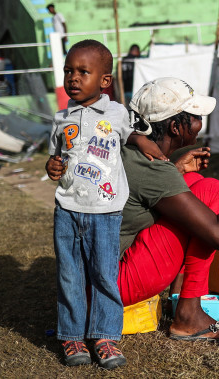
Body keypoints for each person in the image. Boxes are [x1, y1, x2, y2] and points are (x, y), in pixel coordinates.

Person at [51, 77, 219, 341]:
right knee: (213, 191)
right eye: (195, 116)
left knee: (195, 183)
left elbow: (138, 194)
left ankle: (181, 295)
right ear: (175, 127)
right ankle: (189, 313)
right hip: (109, 285)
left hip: (87, 282)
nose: (200, 123)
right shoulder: (151, 168)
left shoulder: (127, 149)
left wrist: (174, 170)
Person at [44, 39, 164, 369]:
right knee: (69, 275)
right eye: (69, 71)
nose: (73, 78)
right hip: (67, 209)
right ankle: (71, 336)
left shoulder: (116, 112)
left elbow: (131, 135)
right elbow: (56, 157)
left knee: (103, 275)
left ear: (104, 81)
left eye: (83, 71)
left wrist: (145, 143)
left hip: (106, 211)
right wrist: (52, 166)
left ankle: (105, 336)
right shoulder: (60, 117)